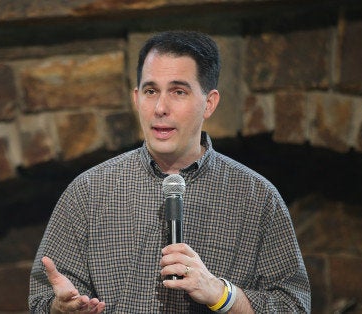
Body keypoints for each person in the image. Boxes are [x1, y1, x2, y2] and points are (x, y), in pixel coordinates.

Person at [28, 30, 311, 313]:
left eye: (179, 92)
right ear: (137, 98)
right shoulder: (89, 192)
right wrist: (59, 308)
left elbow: (294, 306)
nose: (160, 108)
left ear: (209, 103)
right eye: (151, 91)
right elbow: (42, 301)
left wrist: (221, 294)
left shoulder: (257, 197)